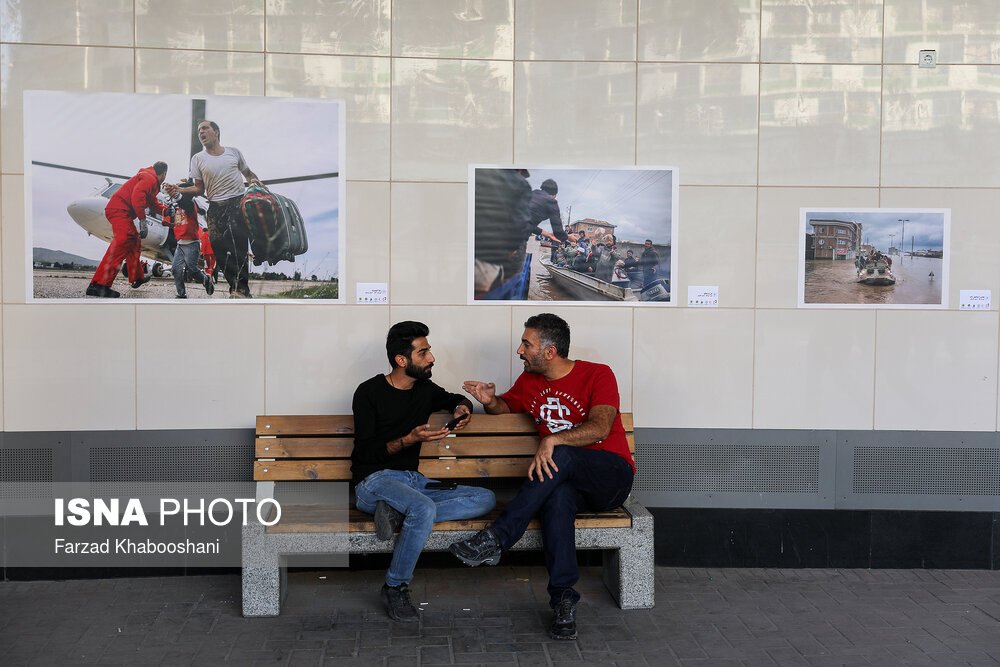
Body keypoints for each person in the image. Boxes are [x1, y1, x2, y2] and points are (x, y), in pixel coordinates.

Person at [451, 314, 635, 641]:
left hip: (610, 476)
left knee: (560, 455)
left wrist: (553, 439)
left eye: (527, 344)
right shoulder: (530, 381)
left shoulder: (598, 374)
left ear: (549, 352)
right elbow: (507, 408)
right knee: (557, 498)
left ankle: (497, 537)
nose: (519, 350)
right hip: (565, 483)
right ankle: (563, 599)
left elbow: (601, 427)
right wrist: (491, 401)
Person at [352, 321, 496, 622]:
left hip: (413, 481)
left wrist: (462, 409)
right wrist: (409, 440)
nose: (432, 358)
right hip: (374, 481)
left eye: (429, 351)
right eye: (424, 353)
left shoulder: (425, 389)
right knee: (422, 508)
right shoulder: (368, 392)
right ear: (401, 360)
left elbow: (455, 399)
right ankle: (395, 586)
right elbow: (365, 453)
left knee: (485, 498)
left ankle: (393, 513)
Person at [176, 120, 260, 299]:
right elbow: (199, 189)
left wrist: (258, 185)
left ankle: (240, 289)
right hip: (214, 206)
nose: (201, 132)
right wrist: (179, 190)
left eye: (205, 128)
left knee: (238, 246)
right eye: (199, 130)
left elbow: (249, 175)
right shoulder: (198, 159)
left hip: (237, 203)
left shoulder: (233, 153)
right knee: (217, 245)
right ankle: (236, 286)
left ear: (216, 132)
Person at [87, 162, 171, 298]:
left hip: (122, 211)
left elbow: (153, 204)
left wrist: (167, 210)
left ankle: (137, 277)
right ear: (164, 174)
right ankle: (99, 284)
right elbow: (137, 197)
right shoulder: (149, 178)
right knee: (123, 240)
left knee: (134, 241)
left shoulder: (151, 183)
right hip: (118, 209)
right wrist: (143, 220)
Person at [163, 194, 214, 298]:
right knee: (176, 269)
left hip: (192, 243)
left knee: (192, 270)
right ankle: (181, 294)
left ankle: (207, 279)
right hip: (180, 244)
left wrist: (177, 194)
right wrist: (168, 225)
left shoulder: (190, 206)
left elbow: (184, 202)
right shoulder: (178, 210)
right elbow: (179, 225)